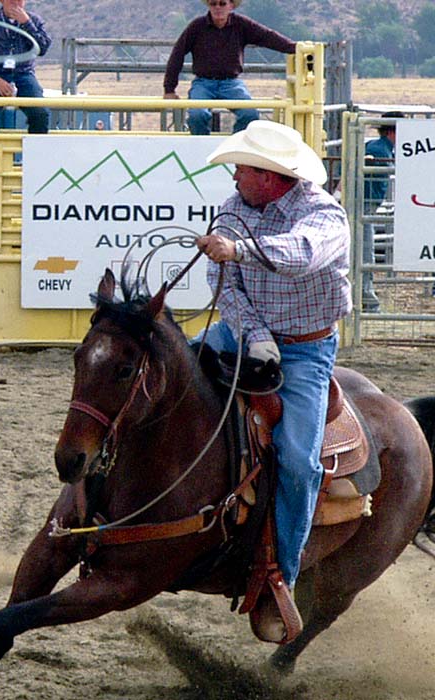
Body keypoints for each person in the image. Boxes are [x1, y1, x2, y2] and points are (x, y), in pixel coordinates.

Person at [194, 120, 351, 640]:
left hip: (306, 352)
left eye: (243, 166)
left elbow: (303, 255)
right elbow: (223, 284)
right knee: (160, 386)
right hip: (242, 333)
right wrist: (254, 332)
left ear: (271, 177)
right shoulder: (233, 207)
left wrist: (238, 250)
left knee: (299, 460)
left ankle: (279, 573)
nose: (234, 173)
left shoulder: (322, 214)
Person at [163, 0, 295, 136]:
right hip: (203, 83)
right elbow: (177, 54)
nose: (218, 7)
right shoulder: (197, 26)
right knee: (197, 115)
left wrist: (293, 47)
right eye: (213, 4)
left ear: (231, 5)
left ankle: (234, 148)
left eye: (222, 3)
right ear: (208, 6)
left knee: (250, 115)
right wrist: (169, 89)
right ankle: (202, 148)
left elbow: (267, 36)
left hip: (231, 83)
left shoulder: (241, 24)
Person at [0, 0, 51, 171]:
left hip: (23, 74)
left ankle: (36, 163)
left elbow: (43, 47)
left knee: (40, 114)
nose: (15, 2)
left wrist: (27, 24)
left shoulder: (35, 21)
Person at [360, 111, 403, 310]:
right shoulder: (379, 149)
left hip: (366, 204)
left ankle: (366, 299)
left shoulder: (379, 148)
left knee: (364, 250)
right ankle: (368, 302)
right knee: (365, 252)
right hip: (364, 205)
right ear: (393, 131)